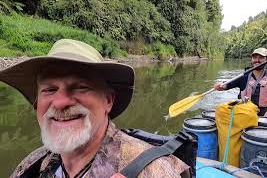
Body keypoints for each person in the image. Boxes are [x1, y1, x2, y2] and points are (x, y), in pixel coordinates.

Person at [3, 39, 190, 177]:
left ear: (108, 100)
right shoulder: (32, 165)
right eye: (49, 89)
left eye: (80, 87)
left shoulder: (155, 171)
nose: (60, 102)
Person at [214, 47, 267, 120]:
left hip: (264, 112)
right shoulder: (243, 76)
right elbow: (226, 85)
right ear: (251, 59)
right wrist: (220, 85)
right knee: (220, 110)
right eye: (255, 57)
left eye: (261, 57)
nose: (257, 60)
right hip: (244, 110)